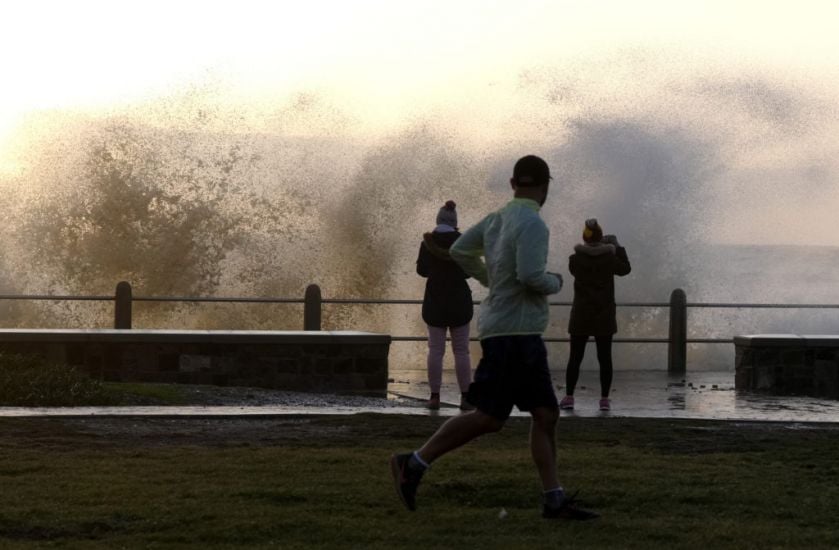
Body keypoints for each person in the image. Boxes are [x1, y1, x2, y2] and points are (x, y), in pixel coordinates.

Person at [390, 155, 598, 520]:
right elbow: (532, 276)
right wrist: (556, 282)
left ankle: (554, 499)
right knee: (489, 417)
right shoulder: (533, 223)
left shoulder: (496, 219)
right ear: (545, 185)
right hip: (515, 333)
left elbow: (458, 251)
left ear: (513, 182)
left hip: (507, 329)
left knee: (545, 414)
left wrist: (489, 279)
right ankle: (415, 463)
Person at [560, 219, 631, 412]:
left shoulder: (574, 260)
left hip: (581, 314)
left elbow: (581, 262)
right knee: (605, 358)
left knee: (575, 357)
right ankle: (604, 399)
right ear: (602, 238)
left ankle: (569, 397)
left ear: (584, 237)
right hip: (604, 314)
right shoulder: (609, 259)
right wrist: (616, 246)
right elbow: (625, 269)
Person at [416, 200, 474, 410]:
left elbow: (421, 271)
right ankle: (466, 397)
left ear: (438, 220)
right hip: (459, 302)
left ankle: (434, 396)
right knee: (461, 351)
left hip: (435, 301)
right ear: (455, 222)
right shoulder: (463, 242)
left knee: (435, 350)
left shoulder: (427, 243)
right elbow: (469, 271)